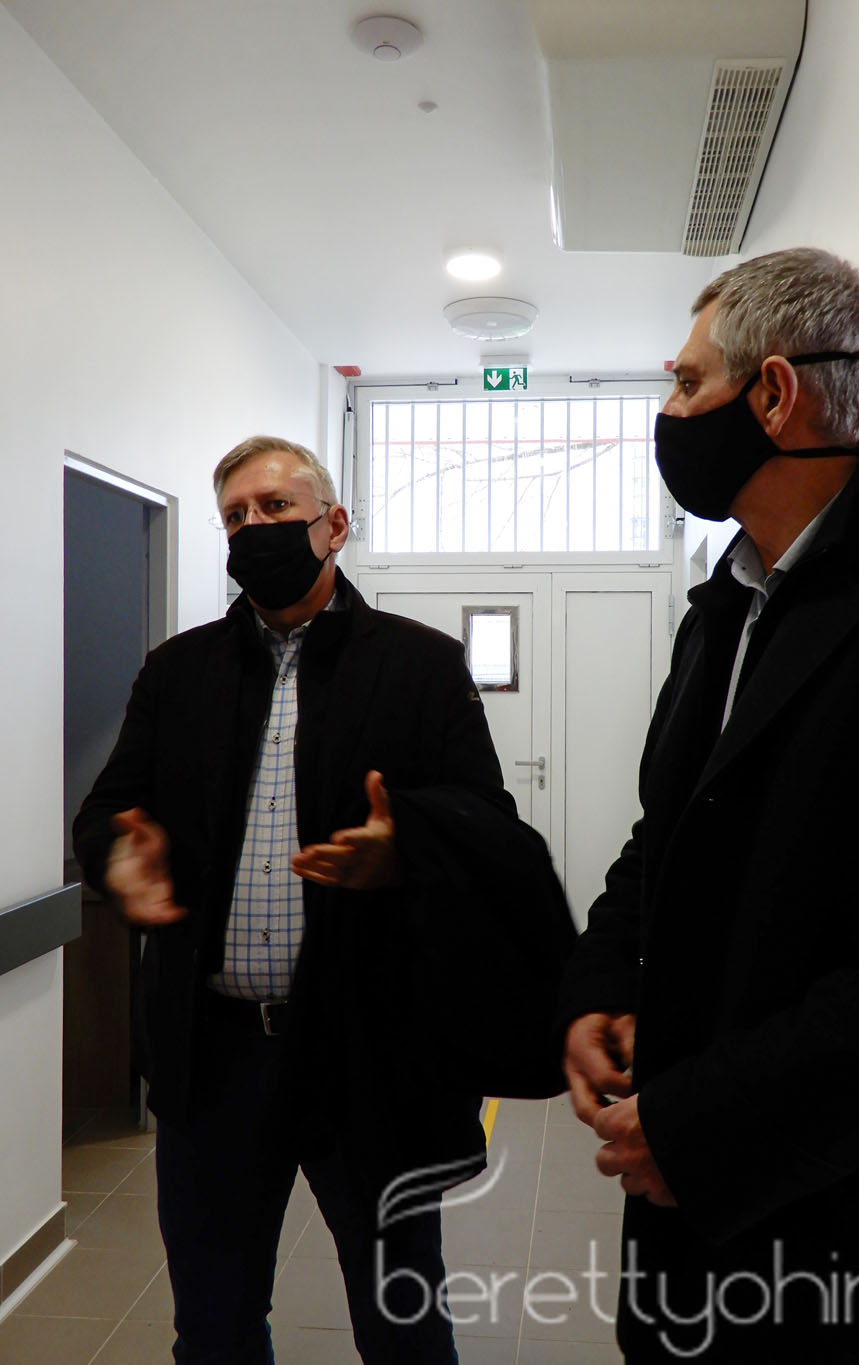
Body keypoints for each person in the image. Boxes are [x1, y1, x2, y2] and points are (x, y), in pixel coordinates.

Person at [559, 247, 859, 1364]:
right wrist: (600, 983)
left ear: (773, 394)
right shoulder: (725, 599)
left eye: (686, 382)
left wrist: (713, 1125)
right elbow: (666, 830)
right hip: (696, 1219)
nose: (670, 413)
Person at [73, 435, 574, 1364]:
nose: (253, 527)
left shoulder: (421, 666)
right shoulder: (179, 672)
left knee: (402, 1322)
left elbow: (490, 825)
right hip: (213, 1059)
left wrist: (407, 846)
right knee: (213, 1326)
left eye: (275, 507)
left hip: (365, 1056)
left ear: (333, 525)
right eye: (234, 516)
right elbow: (107, 810)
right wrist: (116, 857)